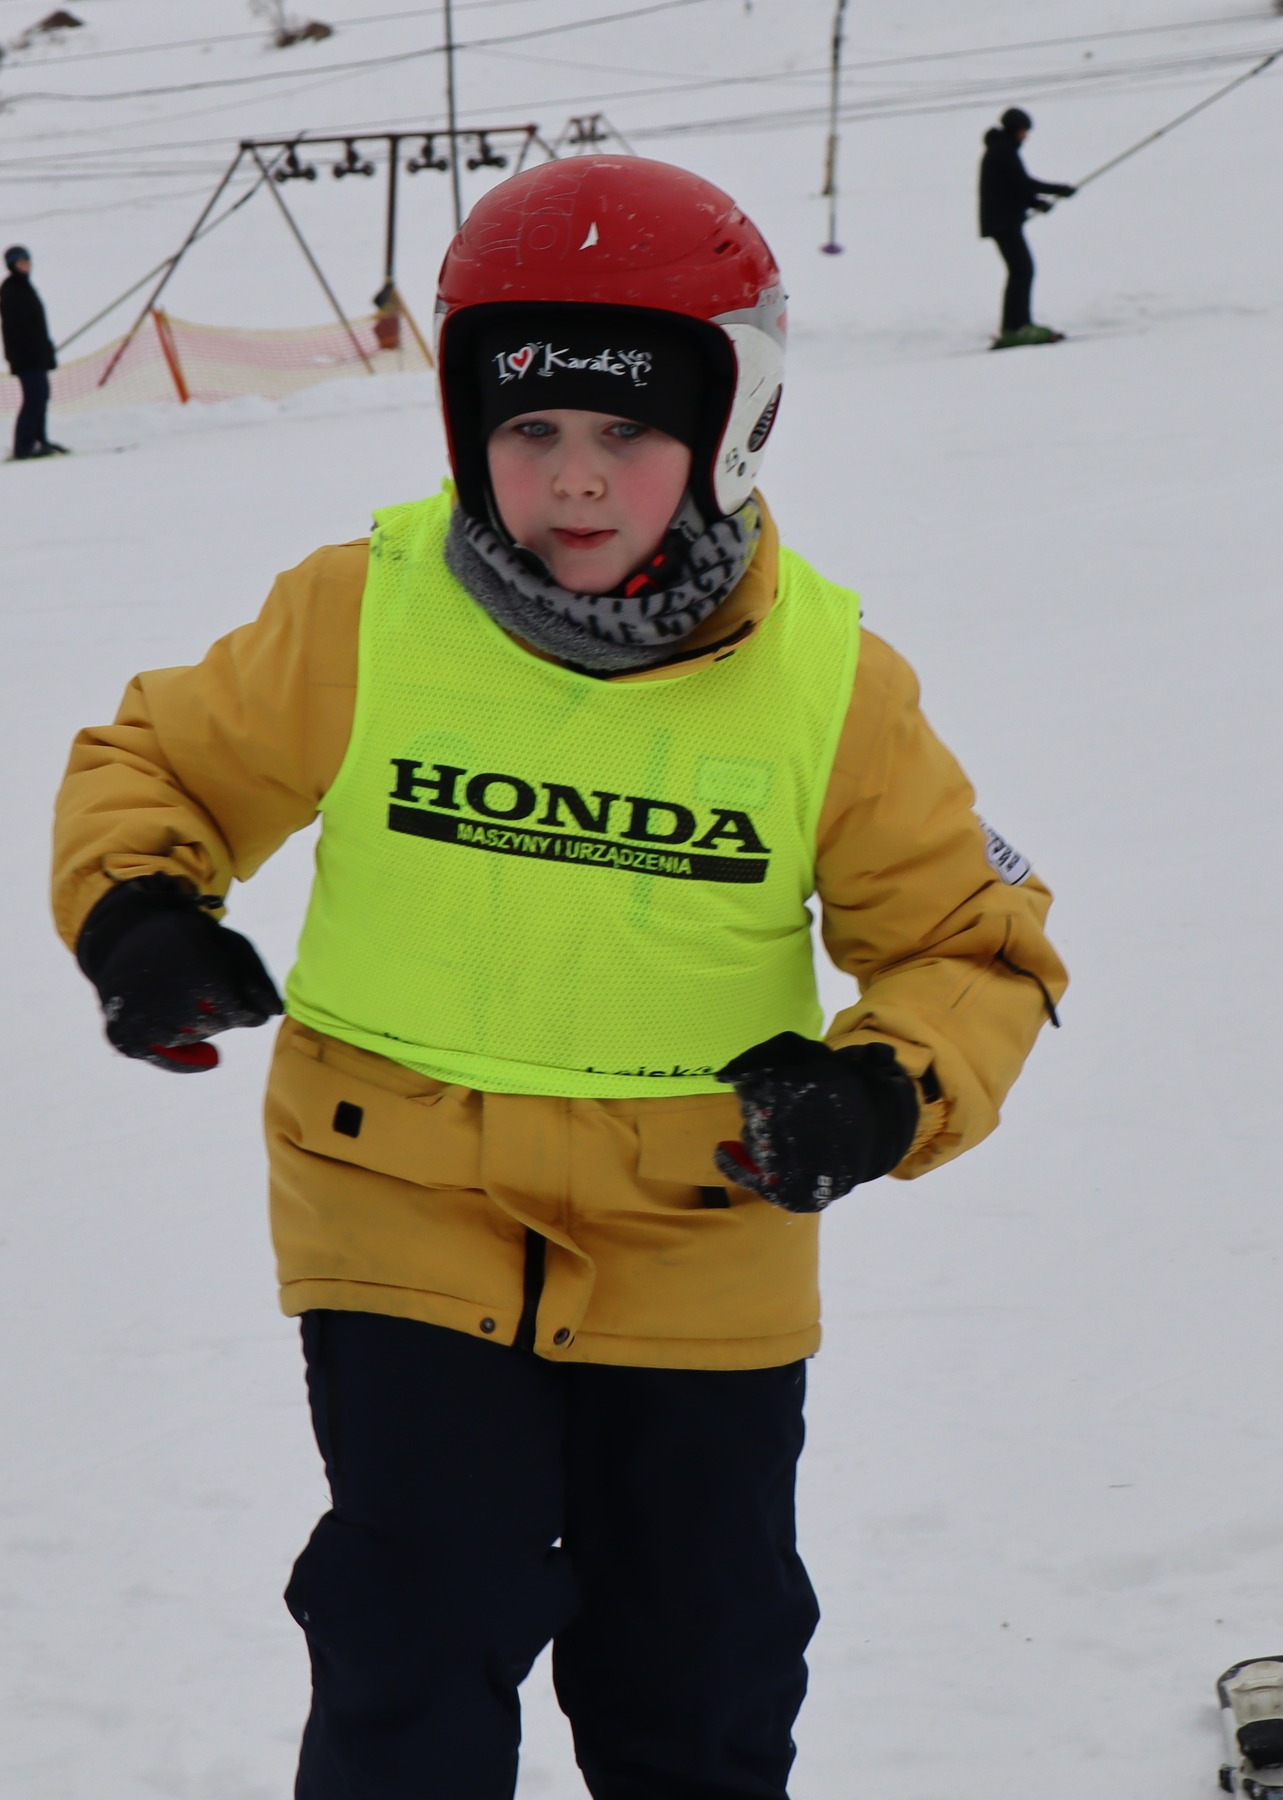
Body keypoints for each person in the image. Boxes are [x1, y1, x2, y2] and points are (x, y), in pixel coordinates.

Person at [52, 156, 1067, 1800]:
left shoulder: (830, 685)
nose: (574, 479)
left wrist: (881, 1090)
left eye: (626, 431)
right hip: (398, 1203)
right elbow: (157, 759)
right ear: (466, 424)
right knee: (414, 1628)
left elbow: (970, 938)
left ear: (731, 426)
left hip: (704, 1225)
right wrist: (142, 914)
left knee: (699, 1658)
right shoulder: (363, 613)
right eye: (528, 427)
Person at [978, 107, 1075, 348]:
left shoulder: (1001, 148)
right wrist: (1058, 189)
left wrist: (1035, 203)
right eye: (1024, 131)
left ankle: (1016, 326)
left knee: (1021, 271)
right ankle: (1016, 328)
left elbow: (1015, 186)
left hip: (1004, 220)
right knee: (1022, 271)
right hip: (1003, 222)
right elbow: (1023, 182)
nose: (1026, 136)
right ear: (1014, 129)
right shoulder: (1002, 150)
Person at [1, 244, 66, 458]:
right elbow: (19, 329)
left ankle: (39, 440)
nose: (26, 266)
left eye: (27, 262)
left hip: (36, 356)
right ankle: (24, 445)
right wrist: (35, 352)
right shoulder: (12, 290)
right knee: (34, 399)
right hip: (26, 357)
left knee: (41, 397)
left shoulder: (25, 287)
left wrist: (46, 350)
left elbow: (37, 326)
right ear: (12, 265)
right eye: (21, 262)